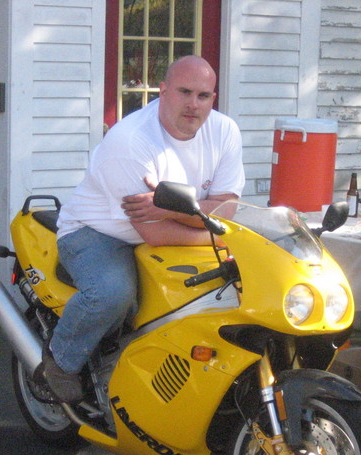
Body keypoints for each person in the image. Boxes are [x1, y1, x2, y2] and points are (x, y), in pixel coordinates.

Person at [40, 55, 245, 403]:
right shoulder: (131, 142)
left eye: (203, 95)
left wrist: (168, 207)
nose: (193, 104)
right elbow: (158, 234)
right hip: (100, 232)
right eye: (184, 92)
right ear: (162, 90)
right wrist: (215, 229)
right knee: (112, 294)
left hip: (173, 235)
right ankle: (60, 362)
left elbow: (227, 208)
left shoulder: (224, 131)